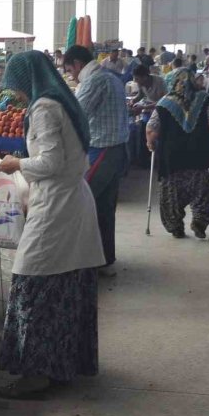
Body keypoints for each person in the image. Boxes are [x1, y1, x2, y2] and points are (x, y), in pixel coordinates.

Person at [0, 51, 105, 399]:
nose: (18, 95)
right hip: (71, 199)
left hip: (57, 205)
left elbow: (51, 161)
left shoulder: (43, 107)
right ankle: (63, 363)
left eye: (17, 87)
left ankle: (37, 373)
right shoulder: (61, 99)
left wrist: (16, 163)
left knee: (32, 282)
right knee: (65, 283)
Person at [64, 45, 129, 277]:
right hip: (116, 150)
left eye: (70, 70)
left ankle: (78, 264)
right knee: (103, 207)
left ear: (78, 64)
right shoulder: (111, 78)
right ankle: (104, 260)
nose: (71, 75)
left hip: (102, 150)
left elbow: (75, 115)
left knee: (77, 202)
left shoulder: (94, 81)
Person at [146, 68, 209, 238]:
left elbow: (152, 128)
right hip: (201, 155)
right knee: (204, 189)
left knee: (171, 193)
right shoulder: (206, 100)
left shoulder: (164, 102)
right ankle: (199, 221)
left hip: (173, 157)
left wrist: (150, 143)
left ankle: (175, 227)